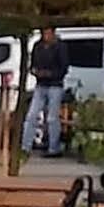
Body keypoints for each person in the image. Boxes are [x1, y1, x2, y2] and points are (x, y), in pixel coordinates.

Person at [24, 28, 70, 156]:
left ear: (53, 33)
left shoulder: (60, 47)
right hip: (40, 84)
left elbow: (64, 67)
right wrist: (35, 71)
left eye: (48, 33)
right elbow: (32, 63)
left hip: (55, 85)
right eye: (44, 33)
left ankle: (53, 148)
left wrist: (51, 74)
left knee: (52, 118)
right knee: (31, 116)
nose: (46, 36)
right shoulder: (38, 46)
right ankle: (25, 146)